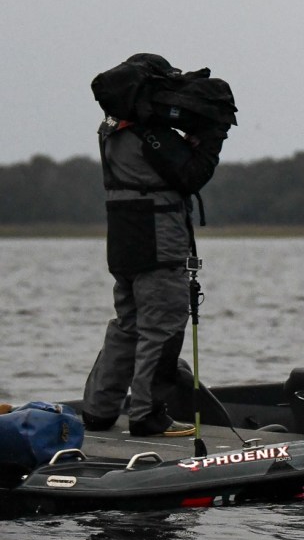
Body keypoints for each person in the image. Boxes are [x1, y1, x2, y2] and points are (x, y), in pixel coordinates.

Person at [82, 54, 233, 437]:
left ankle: (99, 411)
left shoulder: (111, 129)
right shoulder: (150, 135)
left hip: (124, 246)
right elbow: (191, 175)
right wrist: (212, 139)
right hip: (158, 246)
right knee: (162, 328)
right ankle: (147, 414)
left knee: (127, 326)